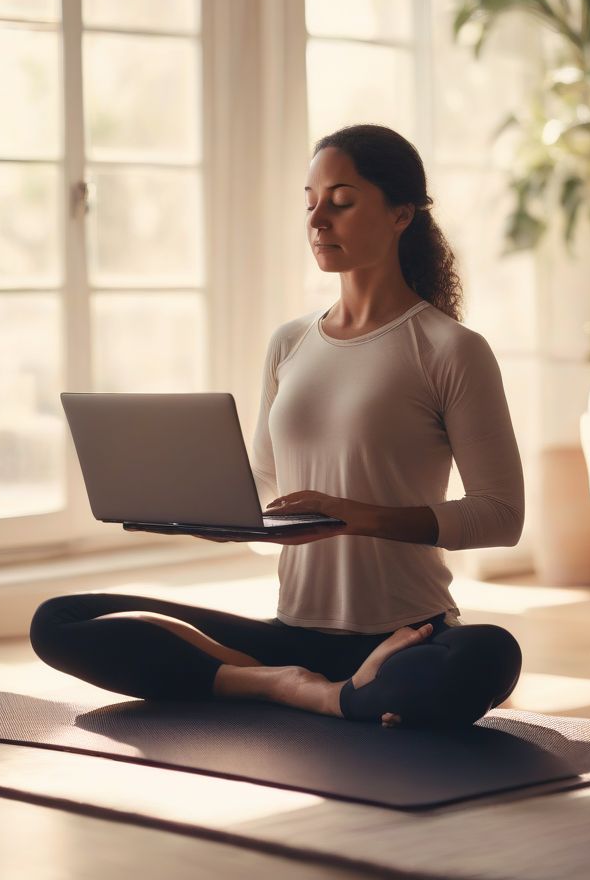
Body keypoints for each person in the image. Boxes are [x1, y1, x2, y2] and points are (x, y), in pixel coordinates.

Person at [30, 123, 525, 730]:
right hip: (290, 634)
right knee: (59, 620)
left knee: (490, 654)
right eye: (311, 202)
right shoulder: (290, 341)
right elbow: (267, 482)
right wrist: (216, 518)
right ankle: (297, 690)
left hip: (407, 637)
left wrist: (358, 516)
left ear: (401, 215)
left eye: (342, 201)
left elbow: (502, 515)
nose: (319, 220)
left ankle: (328, 691)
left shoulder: (450, 349)